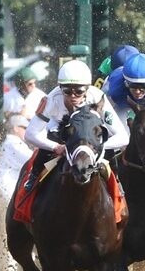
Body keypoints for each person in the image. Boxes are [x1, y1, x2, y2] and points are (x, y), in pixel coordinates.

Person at [20, 59, 129, 194]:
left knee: (110, 153)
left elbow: (123, 137)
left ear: (87, 88)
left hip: (90, 139)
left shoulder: (97, 97)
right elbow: (30, 134)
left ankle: (116, 182)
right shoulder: (50, 100)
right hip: (60, 132)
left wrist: (98, 147)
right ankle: (34, 176)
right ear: (60, 88)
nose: (73, 96)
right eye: (67, 91)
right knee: (44, 149)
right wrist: (55, 147)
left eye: (79, 91)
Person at [0, 114, 32, 271]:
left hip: (4, 191)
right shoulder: (13, 143)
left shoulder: (12, 143)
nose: (26, 132)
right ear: (16, 128)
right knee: (10, 235)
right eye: (24, 128)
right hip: (6, 192)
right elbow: (33, 158)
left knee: (5, 234)